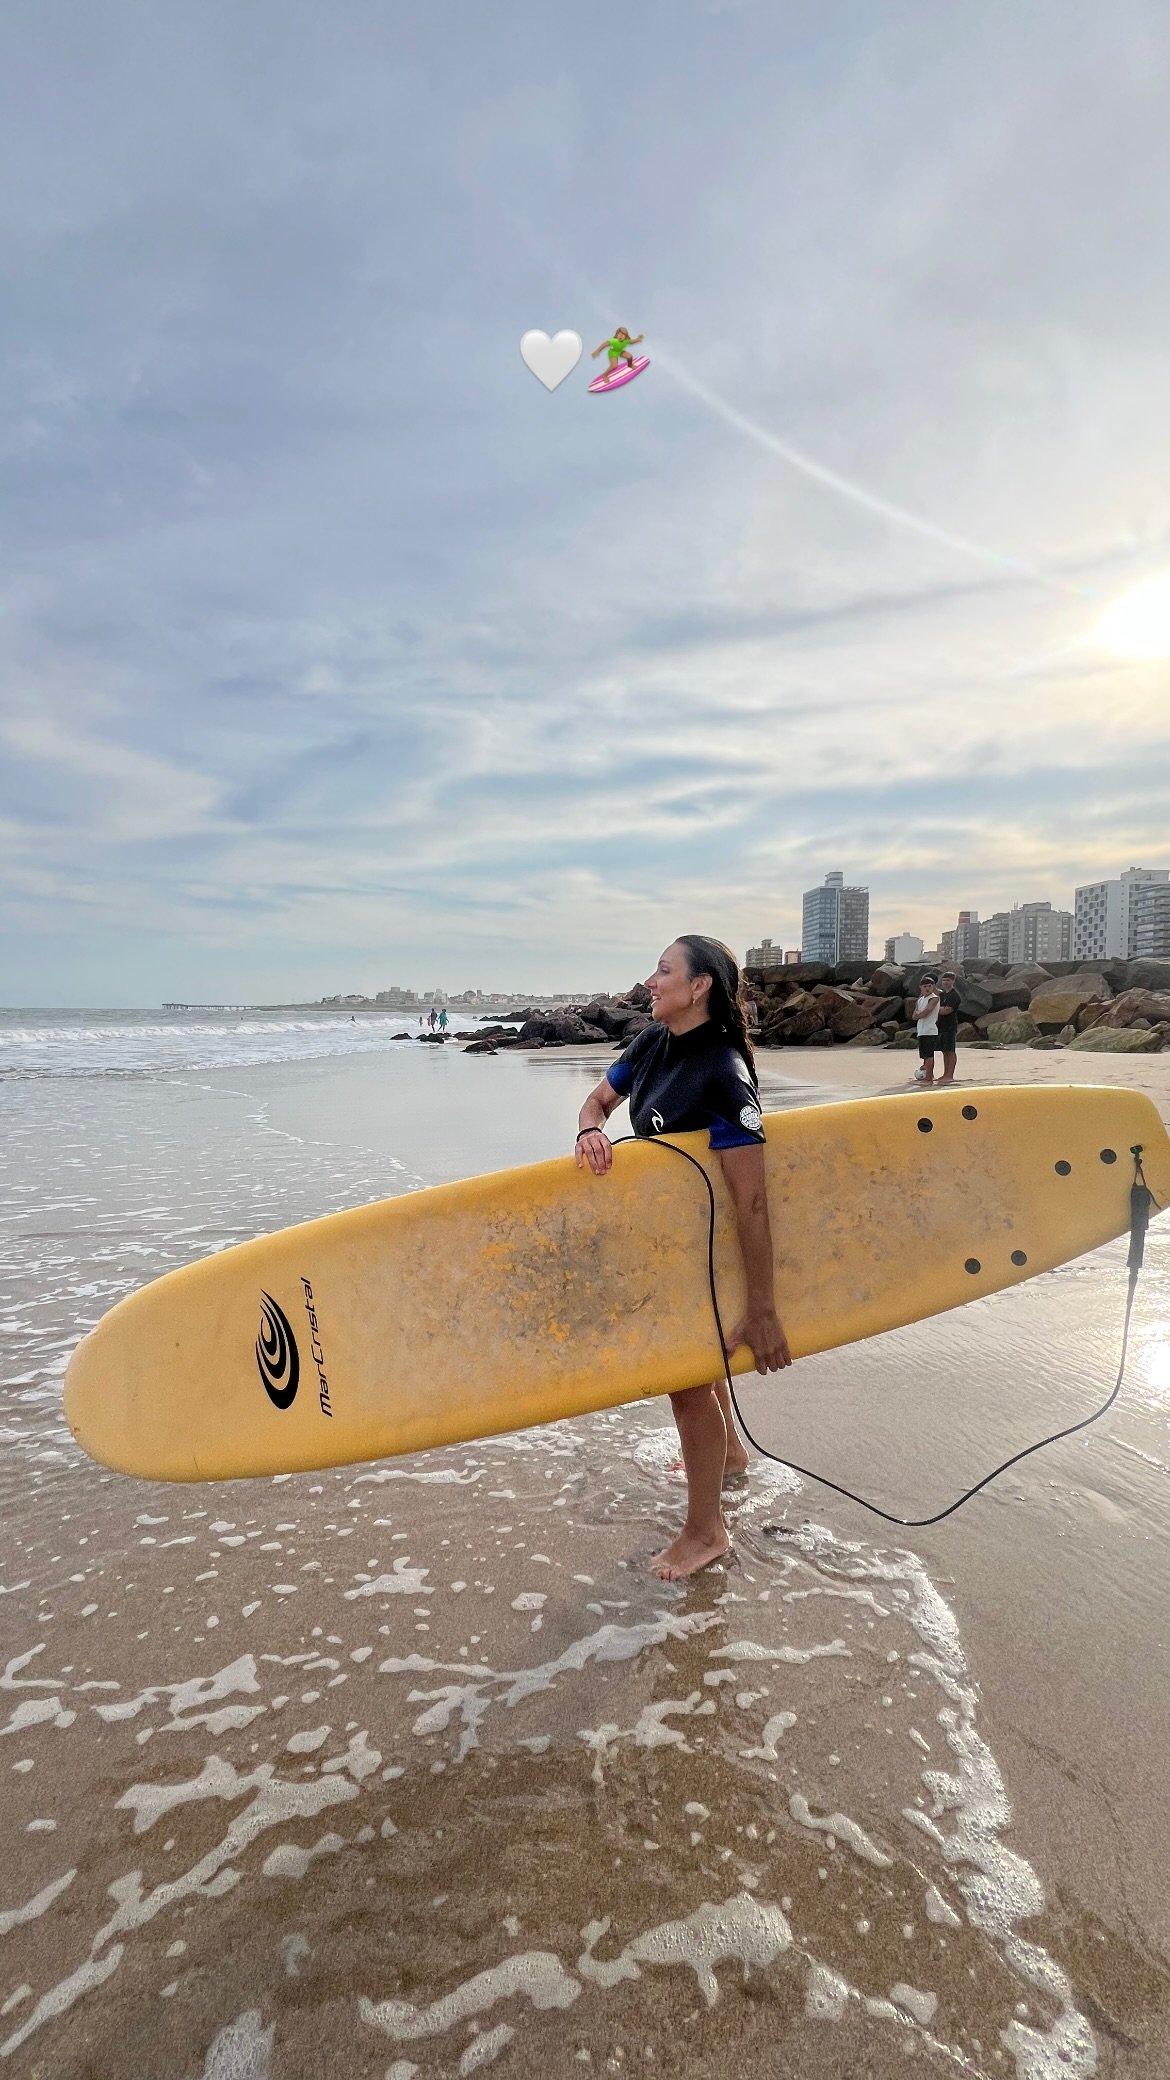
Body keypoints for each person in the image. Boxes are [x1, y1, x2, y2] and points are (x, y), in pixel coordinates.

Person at [574, 936, 791, 1581]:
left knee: (685, 1380)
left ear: (699, 988)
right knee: (694, 1371)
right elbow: (597, 1101)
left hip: (708, 1250)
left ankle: (705, 1533)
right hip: (668, 1243)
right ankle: (729, 1458)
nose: (650, 981)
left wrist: (763, 1307)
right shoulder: (652, 1044)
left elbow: (752, 1202)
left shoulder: (723, 1073)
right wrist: (590, 1131)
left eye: (664, 971)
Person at [912, 972, 941, 1084]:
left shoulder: (934, 998)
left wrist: (919, 1014)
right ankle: (928, 1075)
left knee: (929, 1055)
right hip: (921, 1030)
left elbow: (927, 1011)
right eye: (925, 986)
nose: (927, 988)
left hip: (930, 1030)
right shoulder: (920, 999)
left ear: (933, 987)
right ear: (921, 987)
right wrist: (919, 1014)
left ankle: (928, 1078)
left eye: (930, 986)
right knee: (924, 1056)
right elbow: (914, 1015)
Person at [936, 971, 961, 1083]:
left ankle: (950, 1075)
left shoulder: (954, 995)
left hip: (950, 1026)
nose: (945, 982)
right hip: (941, 1026)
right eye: (944, 980)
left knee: (950, 1051)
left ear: (953, 981)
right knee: (944, 1051)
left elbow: (947, 1010)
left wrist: (934, 1009)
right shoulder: (942, 995)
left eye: (948, 980)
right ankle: (945, 1074)